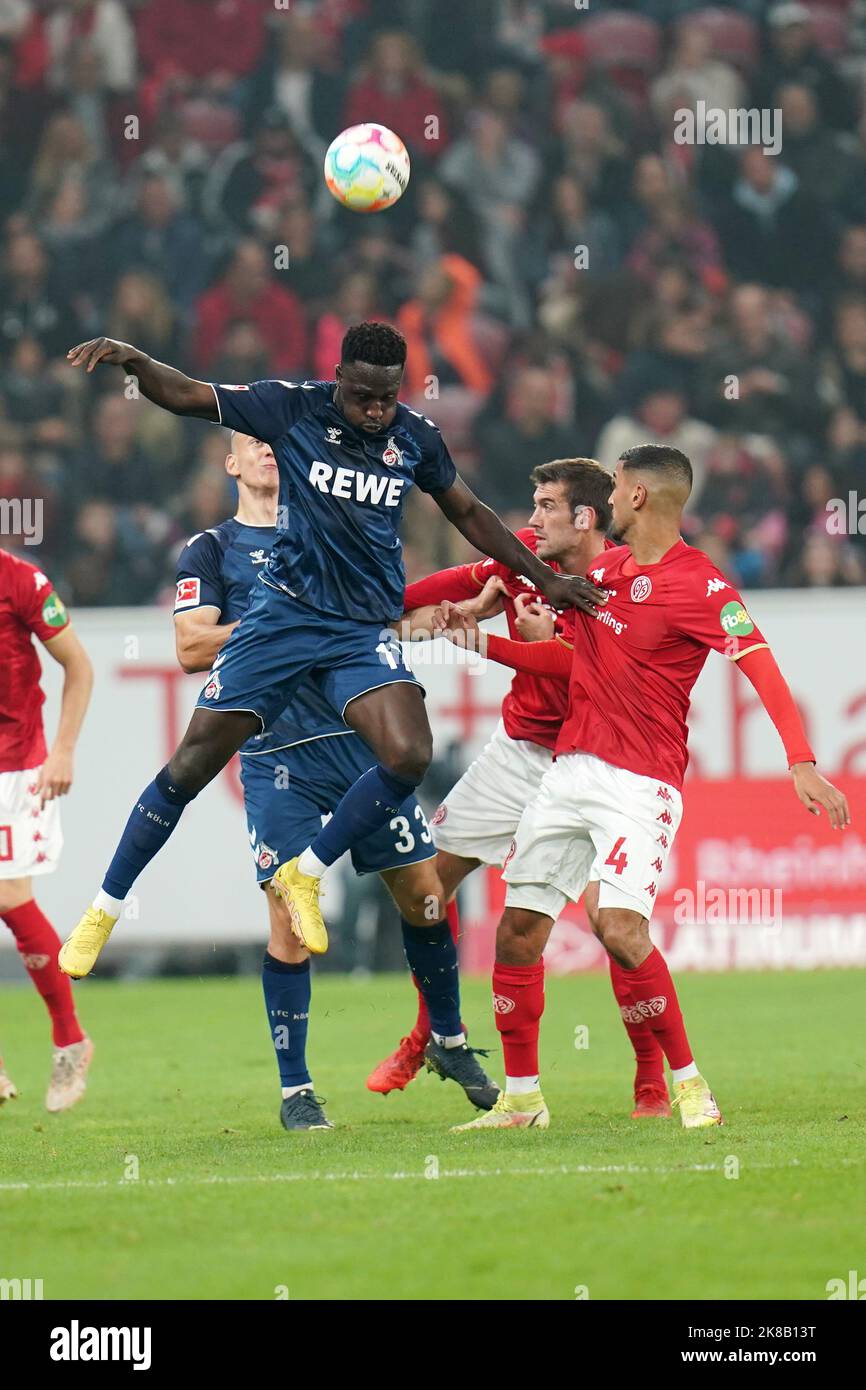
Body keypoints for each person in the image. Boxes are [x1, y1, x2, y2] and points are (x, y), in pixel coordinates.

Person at [58, 322, 602, 1020]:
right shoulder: (290, 407)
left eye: (388, 398)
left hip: (354, 633)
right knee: (188, 768)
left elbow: (469, 512)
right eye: (365, 396)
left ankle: (307, 873)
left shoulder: (414, 437)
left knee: (411, 751)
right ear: (339, 376)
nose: (377, 411)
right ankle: (103, 910)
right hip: (282, 621)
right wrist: (135, 360)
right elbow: (191, 396)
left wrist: (544, 579)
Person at [440, 444, 849, 1132]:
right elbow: (565, 660)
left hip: (640, 784)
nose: (605, 502)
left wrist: (801, 759)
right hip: (567, 771)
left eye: (618, 487)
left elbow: (763, 667)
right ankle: (522, 1100)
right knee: (517, 931)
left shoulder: (702, 585)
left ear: (636, 499)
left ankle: (690, 1086)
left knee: (619, 928)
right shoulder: (603, 570)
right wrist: (483, 642)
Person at [173, 430, 499, 1129]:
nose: (266, 451)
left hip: (361, 749)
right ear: (229, 462)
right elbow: (190, 646)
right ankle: (297, 1091)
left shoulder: (328, 532)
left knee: (426, 897)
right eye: (250, 444)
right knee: (290, 922)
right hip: (277, 755)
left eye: (273, 443)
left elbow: (374, 624)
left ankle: (448, 1040)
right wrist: (277, 624)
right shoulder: (210, 550)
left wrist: (445, 619)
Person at [368, 457, 675, 1119]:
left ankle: (651, 1076)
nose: (530, 521)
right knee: (424, 892)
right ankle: (436, 1035)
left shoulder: (620, 587)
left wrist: (510, 640)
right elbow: (435, 591)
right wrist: (360, 618)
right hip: (516, 756)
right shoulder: (521, 564)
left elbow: (591, 679)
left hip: (596, 762)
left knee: (611, 924)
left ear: (585, 517)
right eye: (532, 505)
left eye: (544, 507)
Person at [0, 546, 94, 1111]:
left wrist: (63, 750)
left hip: (16, 768)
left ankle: (70, 1040)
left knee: (11, 898)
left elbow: (78, 666)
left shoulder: (21, 579)